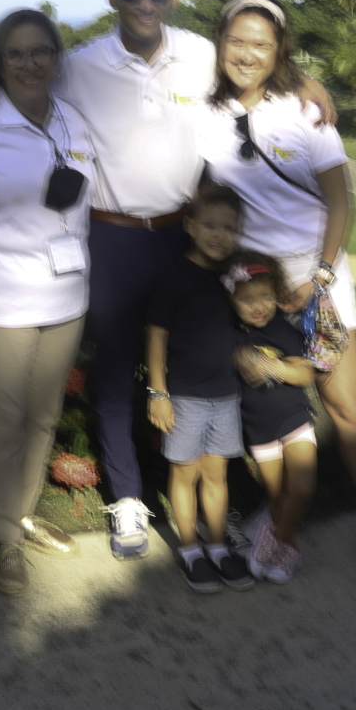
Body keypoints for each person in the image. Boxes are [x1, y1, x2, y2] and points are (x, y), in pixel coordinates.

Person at [58, 0, 336, 561]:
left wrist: (307, 83)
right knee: (116, 369)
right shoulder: (80, 65)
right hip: (113, 234)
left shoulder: (199, 54)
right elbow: (23, 86)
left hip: (184, 238)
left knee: (210, 366)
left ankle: (217, 502)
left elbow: (256, 65)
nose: (145, 3)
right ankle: (129, 498)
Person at [197, 0, 356, 590]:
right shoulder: (205, 114)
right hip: (252, 286)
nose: (247, 54)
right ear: (220, 43)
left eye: (261, 44)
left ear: (280, 51)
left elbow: (340, 203)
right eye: (237, 41)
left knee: (346, 406)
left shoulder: (304, 109)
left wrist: (317, 277)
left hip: (319, 278)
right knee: (265, 400)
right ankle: (280, 513)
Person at [0, 9, 97, 595]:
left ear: (56, 58)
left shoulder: (75, 121)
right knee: (3, 422)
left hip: (67, 295)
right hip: (2, 299)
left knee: (43, 416)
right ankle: (6, 539)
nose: (29, 63)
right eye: (15, 53)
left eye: (40, 51)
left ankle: (24, 513)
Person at [146, 184, 253, 592]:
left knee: (216, 475)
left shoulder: (233, 277)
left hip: (225, 395)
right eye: (210, 225)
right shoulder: (174, 275)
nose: (219, 235)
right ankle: (190, 549)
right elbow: (156, 335)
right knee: (185, 473)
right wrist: (158, 393)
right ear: (190, 225)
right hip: (185, 396)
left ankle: (219, 546)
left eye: (229, 228)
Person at [224, 253, 317, 584]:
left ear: (276, 293)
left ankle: (273, 538)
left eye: (265, 296)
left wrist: (273, 367)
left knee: (302, 487)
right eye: (247, 300)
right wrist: (238, 358)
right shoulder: (230, 335)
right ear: (231, 300)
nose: (259, 306)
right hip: (258, 429)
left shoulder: (281, 329)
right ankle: (289, 551)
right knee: (277, 496)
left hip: (294, 418)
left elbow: (306, 373)